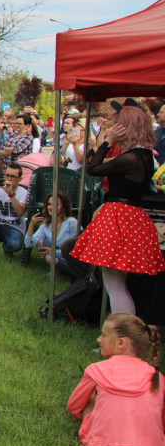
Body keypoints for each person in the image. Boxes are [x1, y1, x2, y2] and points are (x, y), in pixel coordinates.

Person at [70, 107, 165, 313]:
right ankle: (123, 335)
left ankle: (123, 336)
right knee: (117, 285)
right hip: (131, 216)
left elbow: (92, 168)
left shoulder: (132, 157)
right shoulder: (143, 155)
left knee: (115, 286)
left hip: (119, 215)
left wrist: (106, 142)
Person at [67, 313, 164, 446]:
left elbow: (74, 406)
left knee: (92, 396)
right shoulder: (157, 377)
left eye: (104, 335)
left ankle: (100, 434)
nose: (99, 339)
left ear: (121, 343)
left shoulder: (96, 370)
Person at [24, 192, 78, 277]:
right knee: (41, 243)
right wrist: (31, 225)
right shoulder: (46, 225)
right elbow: (29, 244)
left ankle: (74, 272)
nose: (50, 207)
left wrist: (53, 251)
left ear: (63, 207)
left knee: (50, 257)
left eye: (56, 205)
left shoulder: (72, 222)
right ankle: (61, 270)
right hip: (60, 253)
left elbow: (75, 249)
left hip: (73, 257)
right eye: (49, 204)